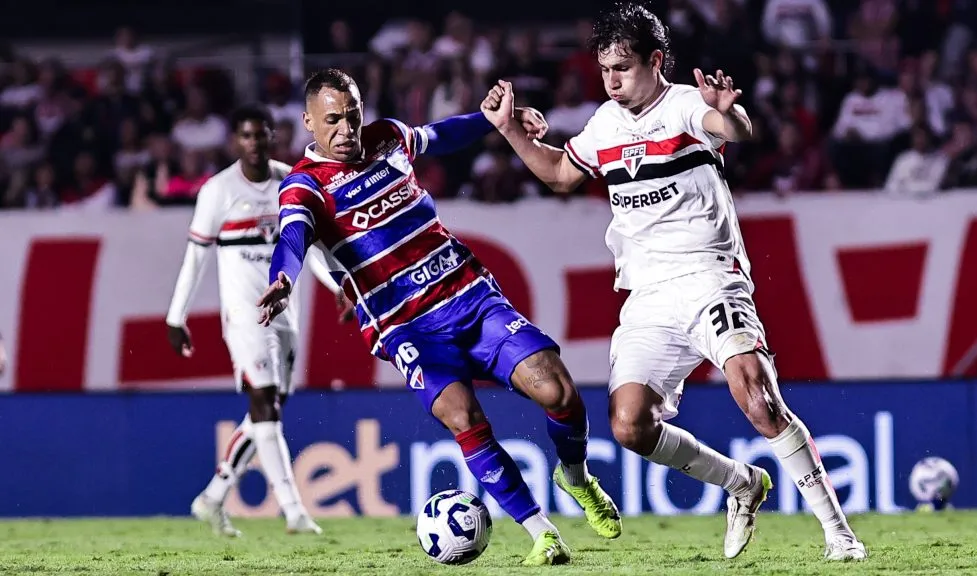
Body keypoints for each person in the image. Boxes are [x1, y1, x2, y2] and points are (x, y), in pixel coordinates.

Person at [480, 3, 867, 562]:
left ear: (655, 60)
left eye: (623, 68)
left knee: (757, 394)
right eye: (604, 69)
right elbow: (560, 173)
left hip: (711, 277)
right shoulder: (605, 125)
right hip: (648, 297)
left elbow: (735, 128)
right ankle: (742, 484)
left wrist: (727, 115)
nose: (611, 81)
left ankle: (839, 534)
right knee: (629, 426)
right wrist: (512, 130)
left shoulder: (686, 103)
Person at [256, 68, 621, 566]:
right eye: (333, 121)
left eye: (353, 117)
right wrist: (284, 278)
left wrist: (492, 123)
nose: (346, 131)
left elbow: (439, 136)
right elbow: (293, 237)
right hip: (407, 325)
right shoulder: (304, 187)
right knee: (461, 414)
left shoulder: (386, 138)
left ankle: (575, 477)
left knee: (559, 391)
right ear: (308, 123)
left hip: (469, 293)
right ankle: (542, 533)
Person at [165, 104, 350, 538]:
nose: (254, 143)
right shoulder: (218, 190)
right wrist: (177, 316)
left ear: (272, 137)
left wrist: (339, 284)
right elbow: (196, 257)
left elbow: (313, 249)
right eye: (246, 136)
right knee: (265, 405)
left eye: (261, 134)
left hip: (286, 315)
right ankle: (294, 511)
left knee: (269, 412)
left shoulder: (293, 180)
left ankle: (212, 497)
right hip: (246, 318)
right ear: (236, 141)